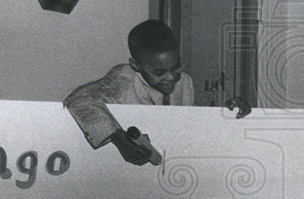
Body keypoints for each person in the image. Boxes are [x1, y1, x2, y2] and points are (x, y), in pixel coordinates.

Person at [64, 19, 249, 165]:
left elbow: (193, 122)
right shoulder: (123, 78)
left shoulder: (185, 81)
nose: (171, 78)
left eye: (176, 67)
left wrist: (228, 111)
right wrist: (118, 137)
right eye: (159, 73)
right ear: (136, 65)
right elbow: (78, 99)